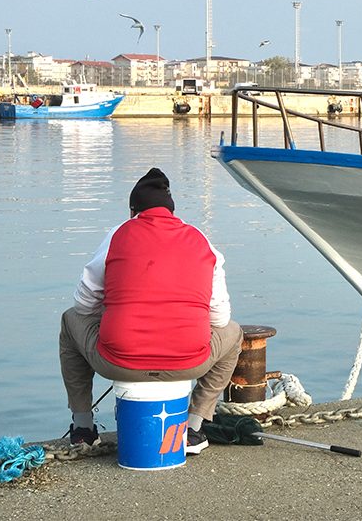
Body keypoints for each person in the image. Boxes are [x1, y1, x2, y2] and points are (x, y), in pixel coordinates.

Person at [58, 168, 242, 454]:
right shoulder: (201, 240)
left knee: (70, 321)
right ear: (172, 210)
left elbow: (83, 305)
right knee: (234, 334)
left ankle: (83, 428)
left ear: (133, 210)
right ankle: (193, 428)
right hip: (189, 362)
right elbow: (219, 318)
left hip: (117, 361)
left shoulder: (118, 234)